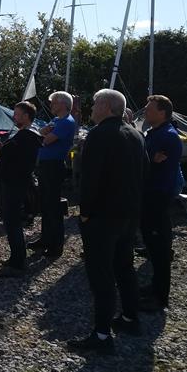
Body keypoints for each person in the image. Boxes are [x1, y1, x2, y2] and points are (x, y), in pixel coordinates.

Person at [68, 89, 144, 353]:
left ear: (107, 107)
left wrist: (85, 212)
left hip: (103, 216)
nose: (91, 107)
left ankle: (101, 336)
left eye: (94, 103)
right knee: (125, 267)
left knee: (101, 276)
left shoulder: (99, 135)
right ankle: (130, 318)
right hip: (129, 214)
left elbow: (90, 179)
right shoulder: (135, 134)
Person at [140, 94, 183, 312]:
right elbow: (148, 161)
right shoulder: (153, 133)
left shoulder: (168, 136)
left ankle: (160, 297)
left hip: (158, 196)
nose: (145, 110)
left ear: (162, 112)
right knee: (151, 245)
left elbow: (155, 166)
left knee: (160, 247)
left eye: (149, 107)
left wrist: (148, 162)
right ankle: (154, 286)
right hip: (148, 195)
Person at [0, 101, 42, 277]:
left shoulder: (27, 136)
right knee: (11, 222)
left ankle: (17, 263)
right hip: (15, 182)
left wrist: (2, 148)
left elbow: (8, 154)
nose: (14, 117)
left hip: (15, 183)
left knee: (12, 222)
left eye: (16, 114)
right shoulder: (25, 135)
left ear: (25, 116)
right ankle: (16, 257)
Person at [29, 91, 76, 258]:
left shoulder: (66, 122)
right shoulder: (57, 120)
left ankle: (56, 245)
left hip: (54, 166)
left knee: (53, 206)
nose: (51, 106)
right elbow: (42, 133)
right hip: (46, 165)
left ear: (62, 104)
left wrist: (43, 134)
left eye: (54, 103)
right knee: (45, 204)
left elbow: (46, 139)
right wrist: (43, 133)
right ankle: (46, 238)